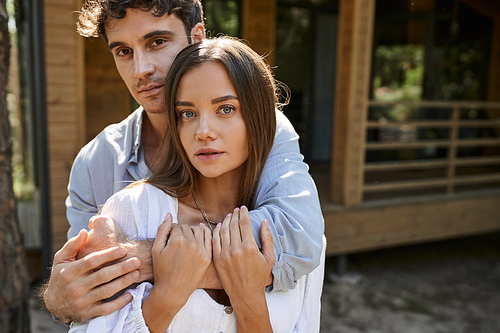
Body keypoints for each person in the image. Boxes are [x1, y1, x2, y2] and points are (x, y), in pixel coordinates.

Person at [43, 0, 324, 325]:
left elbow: (298, 240)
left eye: (157, 42)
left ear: (197, 36)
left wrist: (144, 258)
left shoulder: (261, 129)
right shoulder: (96, 163)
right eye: (123, 51)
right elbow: (91, 289)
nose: (141, 69)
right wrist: (56, 299)